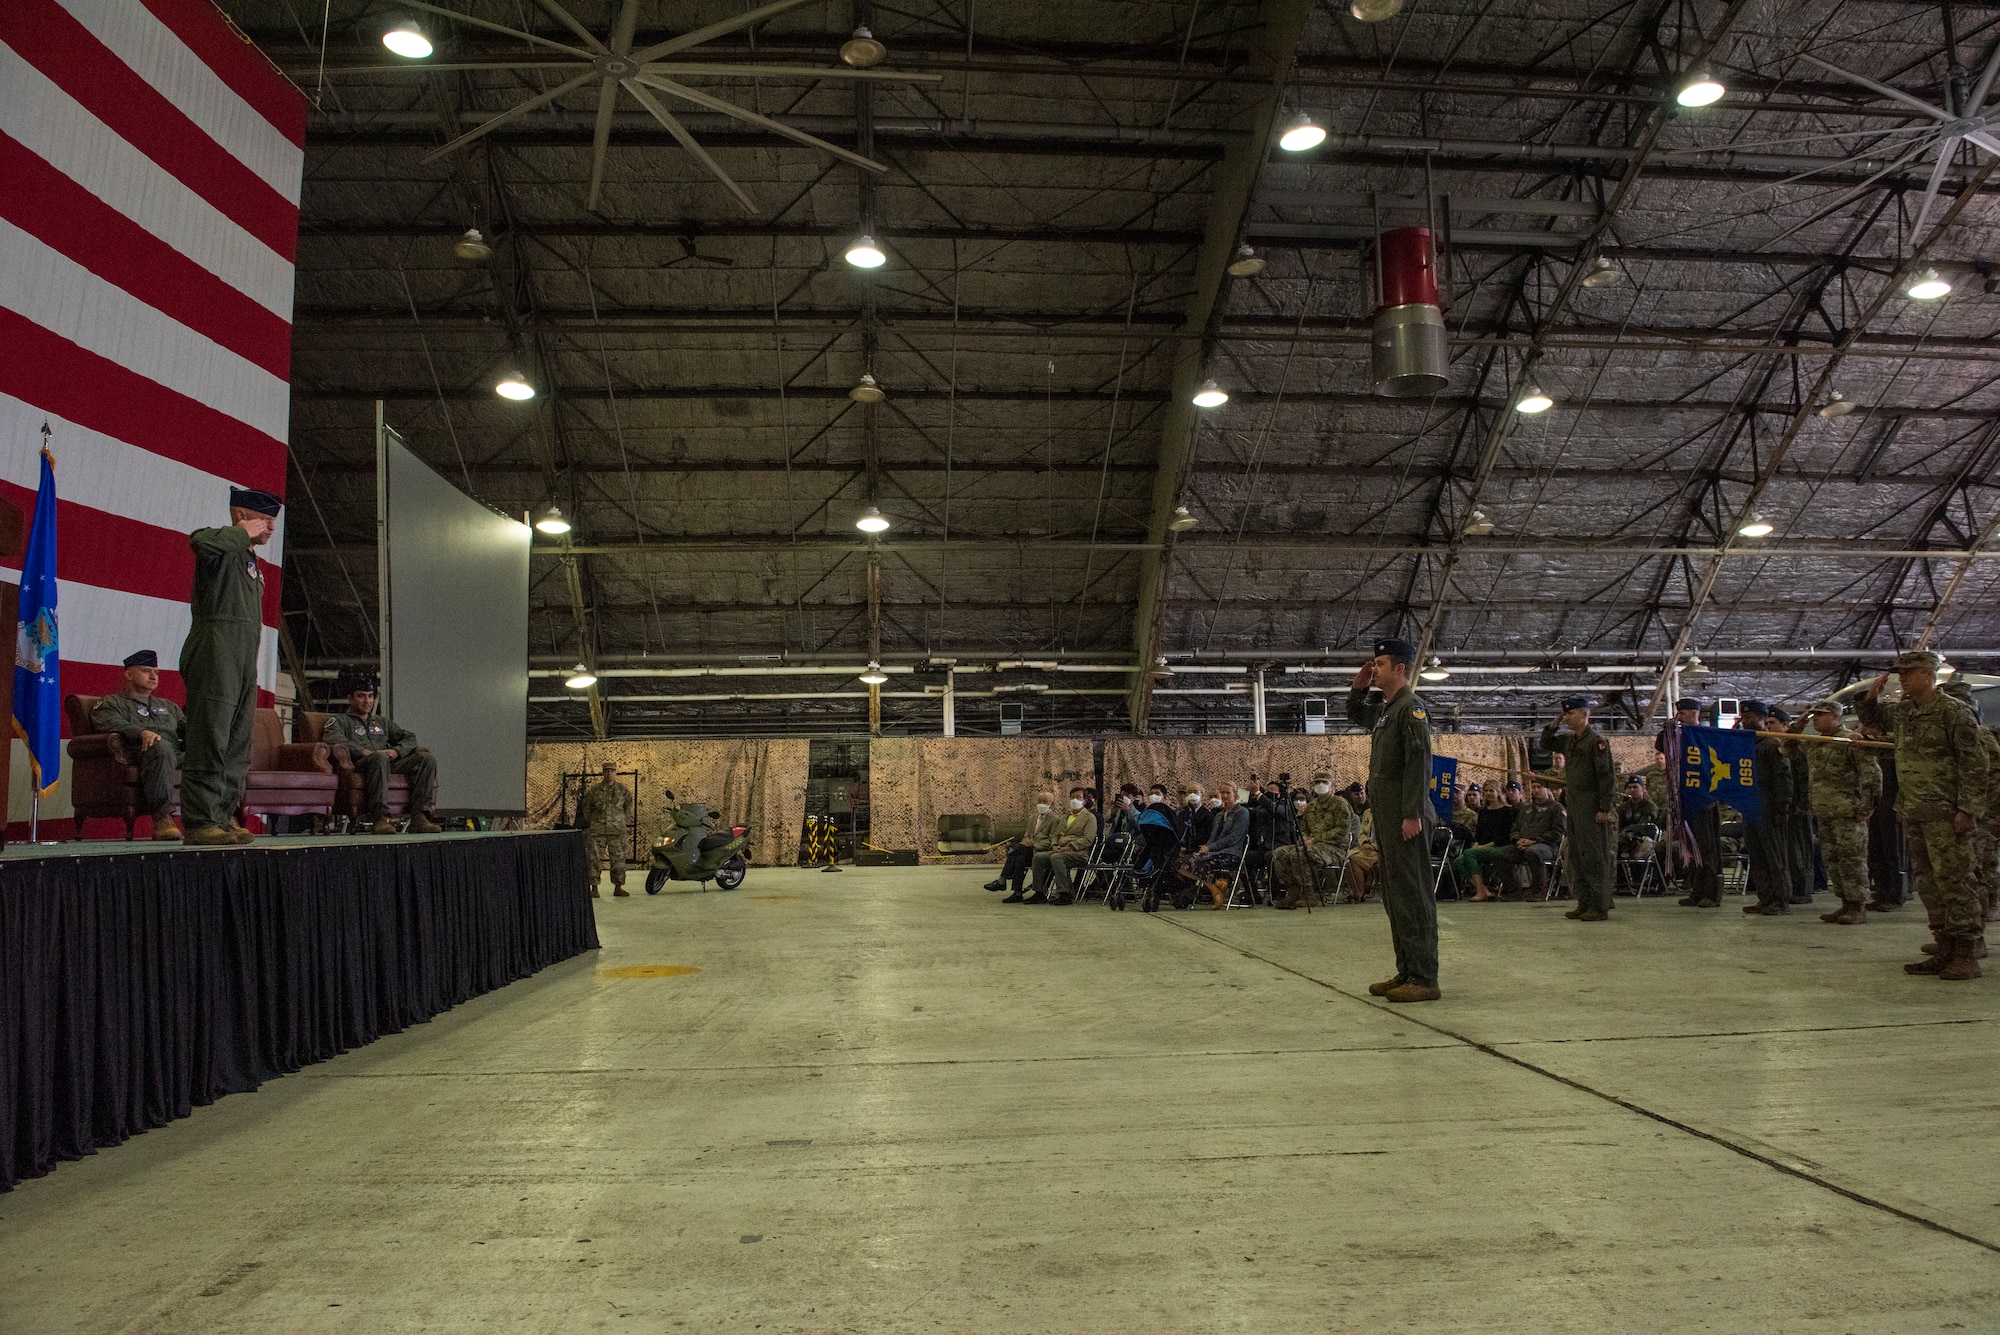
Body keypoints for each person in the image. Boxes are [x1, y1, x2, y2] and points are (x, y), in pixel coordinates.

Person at [1858, 651, 1989, 978]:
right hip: (1916, 810)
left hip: (1947, 813)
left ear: (1930, 675)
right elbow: (1876, 721)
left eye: (1909, 672)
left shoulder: (1953, 712)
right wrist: (1869, 699)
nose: (1902, 678)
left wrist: (1968, 809)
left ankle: (1966, 951)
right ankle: (1943, 946)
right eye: (1900, 672)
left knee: (1956, 881)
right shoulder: (1905, 712)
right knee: (1929, 884)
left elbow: (1975, 764)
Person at [179, 487, 281, 845]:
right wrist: (241, 533)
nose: (271, 529)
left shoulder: (250, 561)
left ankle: (221, 816)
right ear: (242, 516)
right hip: (215, 649)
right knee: (210, 736)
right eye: (266, 521)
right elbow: (200, 542)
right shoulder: (220, 547)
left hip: (242, 658)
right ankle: (199, 820)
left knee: (236, 740)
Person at [1348, 637, 1440, 1003]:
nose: (1375, 669)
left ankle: (1424, 976)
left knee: (1413, 896)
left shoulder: (1411, 708)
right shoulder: (1388, 710)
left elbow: (1420, 764)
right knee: (1396, 897)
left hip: (1407, 819)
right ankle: (1407, 970)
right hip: (1389, 819)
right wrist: (1358, 688)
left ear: (1400, 668)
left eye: (1381, 664)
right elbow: (1358, 715)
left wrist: (1412, 813)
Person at [322, 680, 443, 834]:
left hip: (388, 763)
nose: (367, 701)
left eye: (370, 696)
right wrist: (364, 752)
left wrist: (396, 751)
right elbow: (333, 740)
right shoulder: (340, 721)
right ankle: (379, 818)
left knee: (426, 759)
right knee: (379, 758)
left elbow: (409, 738)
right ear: (350, 698)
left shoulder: (381, 722)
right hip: (360, 765)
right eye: (361, 696)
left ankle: (419, 818)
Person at [1803, 699, 1883, 926]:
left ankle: (1858, 906)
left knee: (1852, 860)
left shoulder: (1852, 741)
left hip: (1848, 812)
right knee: (1834, 860)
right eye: (1813, 715)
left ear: (1836, 717)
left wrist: (1866, 807)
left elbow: (1872, 776)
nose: (1815, 719)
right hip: (1825, 811)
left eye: (1820, 715)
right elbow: (1789, 749)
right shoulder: (1816, 743)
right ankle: (1845, 903)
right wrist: (1799, 722)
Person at [91, 650, 186, 840]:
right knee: (161, 746)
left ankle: (219, 817)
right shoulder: (112, 702)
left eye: (156, 672)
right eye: (146, 671)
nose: (153, 676)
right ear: (128, 674)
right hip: (139, 752)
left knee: (212, 754)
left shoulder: (168, 706)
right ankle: (162, 819)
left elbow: (190, 729)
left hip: (175, 754)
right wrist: (141, 732)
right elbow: (107, 723)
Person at [1542, 696, 1618, 921]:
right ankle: (1584, 903)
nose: (1566, 717)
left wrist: (1605, 807)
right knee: (1577, 856)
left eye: (1571, 713)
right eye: (1565, 713)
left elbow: (1606, 777)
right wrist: (1553, 725)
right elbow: (1546, 743)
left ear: (1585, 714)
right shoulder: (1569, 741)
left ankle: (1600, 905)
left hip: (1591, 803)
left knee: (1594, 856)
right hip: (1574, 803)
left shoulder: (1596, 742)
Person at [1942, 681, 2000, 933]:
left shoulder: (1980, 735)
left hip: (1983, 813)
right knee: (1965, 871)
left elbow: (1994, 777)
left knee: (1982, 867)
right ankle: (1961, 930)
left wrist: (1995, 815)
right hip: (1961, 811)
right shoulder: (1952, 736)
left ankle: (1988, 912)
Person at [1735, 700, 1795, 915]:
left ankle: (1780, 900)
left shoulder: (1771, 744)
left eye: (1750, 717)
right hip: (1750, 804)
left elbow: (1783, 776)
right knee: (1757, 854)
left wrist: (1783, 805)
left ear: (1762, 719)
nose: (1745, 721)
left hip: (1769, 803)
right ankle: (1765, 897)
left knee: (1774, 856)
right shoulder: (1746, 744)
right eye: (1744, 717)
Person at [1667, 698, 1727, 908]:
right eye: (1679, 713)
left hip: (1705, 800)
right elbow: (1661, 745)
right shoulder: (1679, 736)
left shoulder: (1707, 734)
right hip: (1686, 800)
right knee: (1690, 849)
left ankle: (1711, 894)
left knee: (1707, 849)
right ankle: (1696, 891)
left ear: (1695, 714)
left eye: (1683, 713)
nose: (1680, 716)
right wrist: (1669, 728)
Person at [1274, 770, 1355, 909]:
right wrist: (1304, 837)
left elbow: (1342, 831)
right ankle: (1293, 893)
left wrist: (1315, 839)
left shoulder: (1340, 804)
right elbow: (1304, 827)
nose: (1320, 785)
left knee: (1299, 854)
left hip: (1335, 848)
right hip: (1312, 845)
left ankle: (1309, 895)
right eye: (1317, 782)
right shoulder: (1311, 806)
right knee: (1280, 853)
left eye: (1324, 782)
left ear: (1332, 785)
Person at [1494, 774, 1564, 899]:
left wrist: (1534, 841)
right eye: (1534, 787)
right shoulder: (1526, 809)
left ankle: (1539, 890)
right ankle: (1513, 890)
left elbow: (1558, 832)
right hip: (1522, 845)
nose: (1536, 790)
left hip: (1547, 846)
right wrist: (1517, 840)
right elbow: (1515, 828)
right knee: (1498, 854)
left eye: (1539, 787)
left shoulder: (1556, 808)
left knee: (1533, 852)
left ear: (1547, 789)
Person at [1031, 787, 1097, 904]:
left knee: (1056, 858)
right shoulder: (1065, 817)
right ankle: (1039, 892)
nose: (1075, 800)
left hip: (1078, 853)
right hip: (1059, 849)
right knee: (1038, 857)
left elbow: (1088, 839)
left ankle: (1064, 893)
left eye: (1079, 797)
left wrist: (1070, 847)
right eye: (1072, 797)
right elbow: (1056, 834)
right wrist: (1054, 845)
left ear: (1085, 800)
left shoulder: (1090, 818)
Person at [578, 761, 632, 898]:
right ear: (603, 772)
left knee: (618, 860)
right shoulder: (594, 791)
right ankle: (594, 888)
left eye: (612, 771)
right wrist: (594, 822)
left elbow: (628, 807)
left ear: (616, 772)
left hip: (617, 831)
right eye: (607, 771)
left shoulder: (623, 790)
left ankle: (618, 887)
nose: (609, 773)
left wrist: (621, 820)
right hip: (598, 831)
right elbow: (587, 808)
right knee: (594, 860)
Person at [1192, 783, 1250, 908]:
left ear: (1235, 794)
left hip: (1231, 853)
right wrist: (1205, 848)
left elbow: (1233, 837)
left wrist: (1210, 848)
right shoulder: (1218, 815)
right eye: (1222, 792)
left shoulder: (1242, 812)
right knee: (1181, 861)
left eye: (1228, 793)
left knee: (1195, 862)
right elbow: (1213, 837)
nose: (1224, 795)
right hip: (1214, 852)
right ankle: (1215, 888)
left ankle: (1218, 888)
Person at [1454, 786, 1517, 901]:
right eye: (1486, 791)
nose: (1488, 793)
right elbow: (1478, 833)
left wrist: (1483, 846)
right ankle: (1484, 889)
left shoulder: (1507, 811)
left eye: (1491, 791)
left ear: (1498, 792)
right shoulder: (1483, 811)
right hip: (1481, 846)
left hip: (1498, 846)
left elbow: (1503, 836)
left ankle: (1479, 891)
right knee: (1458, 861)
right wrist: (1476, 844)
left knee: (1469, 854)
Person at [998, 791, 1060, 901]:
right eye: (1039, 801)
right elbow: (1027, 835)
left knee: (1015, 850)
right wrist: (1026, 841)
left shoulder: (1055, 820)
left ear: (1052, 803)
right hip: (1027, 851)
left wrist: (1034, 844)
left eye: (1045, 802)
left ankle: (1002, 879)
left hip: (1041, 850)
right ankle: (1017, 893)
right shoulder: (1033, 818)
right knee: (1019, 859)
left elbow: (1052, 839)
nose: (1041, 804)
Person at [1616, 775, 1661, 864]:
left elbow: (1645, 828)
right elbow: (1618, 824)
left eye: (1635, 787)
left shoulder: (1650, 807)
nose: (1632, 790)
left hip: (1641, 840)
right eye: (1629, 787)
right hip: (1624, 839)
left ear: (1642, 788)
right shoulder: (1623, 807)